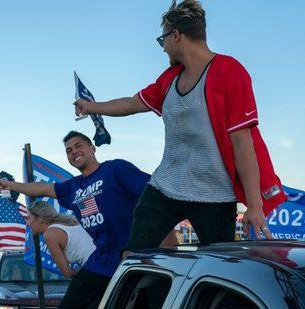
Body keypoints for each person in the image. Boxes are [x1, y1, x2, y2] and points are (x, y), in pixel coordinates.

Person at [74, 0, 286, 252]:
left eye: (161, 39)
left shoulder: (229, 71)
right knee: (132, 256)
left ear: (175, 36)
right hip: (165, 189)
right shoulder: (169, 79)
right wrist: (91, 106)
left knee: (216, 267)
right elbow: (132, 103)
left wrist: (254, 206)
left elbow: (243, 143)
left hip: (214, 197)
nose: (162, 48)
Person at [0, 130, 156, 309]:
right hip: (99, 262)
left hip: (129, 261)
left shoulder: (115, 169)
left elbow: (154, 196)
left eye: (79, 145)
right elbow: (42, 188)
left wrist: (160, 241)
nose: (74, 152)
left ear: (92, 148)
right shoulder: (73, 187)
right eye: (69, 150)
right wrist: (11, 185)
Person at [26, 201, 95, 278]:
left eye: (28, 218)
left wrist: (88, 270)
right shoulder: (68, 222)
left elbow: (68, 273)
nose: (27, 224)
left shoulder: (50, 234)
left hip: (97, 267)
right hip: (103, 263)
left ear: (40, 219)